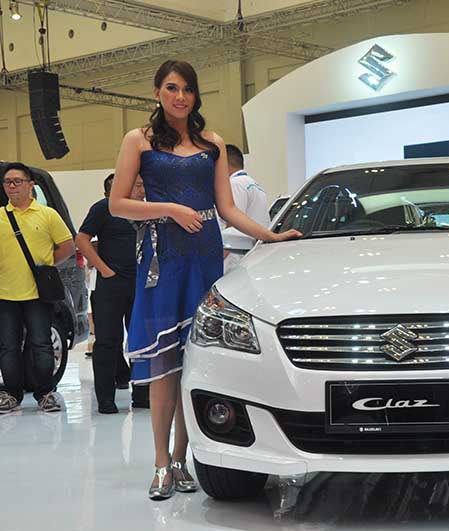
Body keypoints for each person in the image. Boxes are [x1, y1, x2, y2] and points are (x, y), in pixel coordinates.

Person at [109, 60, 301, 500]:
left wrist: (271, 235)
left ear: (196, 96)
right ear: (157, 92)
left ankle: (182, 460)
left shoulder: (212, 143)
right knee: (164, 366)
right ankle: (160, 463)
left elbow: (227, 208)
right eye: (172, 88)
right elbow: (118, 203)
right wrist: (170, 209)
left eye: (188, 89)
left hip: (204, 255)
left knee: (194, 362)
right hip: (163, 260)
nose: (180, 97)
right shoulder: (138, 139)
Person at [0, 162, 75, 414]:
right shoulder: (0, 216)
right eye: (7, 182)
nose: (12, 186)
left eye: (17, 181)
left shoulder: (47, 215)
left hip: (38, 294)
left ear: (30, 185)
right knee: (8, 347)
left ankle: (45, 394)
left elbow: (68, 246)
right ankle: (12, 395)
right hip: (5, 294)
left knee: (42, 344)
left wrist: (46, 267)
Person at [75, 174, 145, 414]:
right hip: (111, 283)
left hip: (140, 283)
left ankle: (142, 394)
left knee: (141, 339)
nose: (142, 190)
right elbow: (82, 239)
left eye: (143, 185)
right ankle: (106, 398)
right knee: (107, 341)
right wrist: (104, 269)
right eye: (138, 185)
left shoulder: (147, 209)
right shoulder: (104, 208)